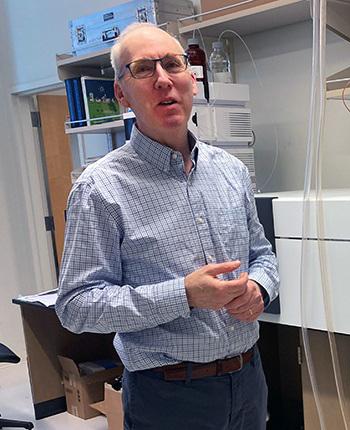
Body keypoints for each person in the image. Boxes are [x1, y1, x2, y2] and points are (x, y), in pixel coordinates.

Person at [56, 23, 279, 430]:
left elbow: (263, 255)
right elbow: (76, 306)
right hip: (168, 397)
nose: (163, 80)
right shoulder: (100, 189)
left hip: (249, 381)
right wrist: (184, 295)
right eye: (142, 69)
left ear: (191, 80)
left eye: (173, 64)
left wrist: (259, 287)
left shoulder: (230, 170)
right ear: (121, 93)